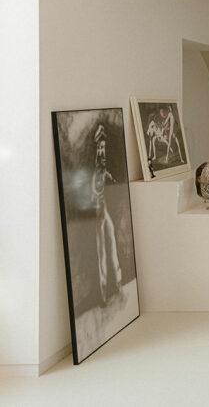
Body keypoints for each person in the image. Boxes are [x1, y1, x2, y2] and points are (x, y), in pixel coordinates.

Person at [92, 124, 122, 303]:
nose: (103, 150)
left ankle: (117, 282)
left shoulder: (102, 170)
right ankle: (103, 290)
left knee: (111, 242)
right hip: (97, 212)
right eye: (100, 147)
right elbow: (95, 189)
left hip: (104, 209)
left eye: (104, 147)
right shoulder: (96, 171)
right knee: (101, 250)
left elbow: (110, 179)